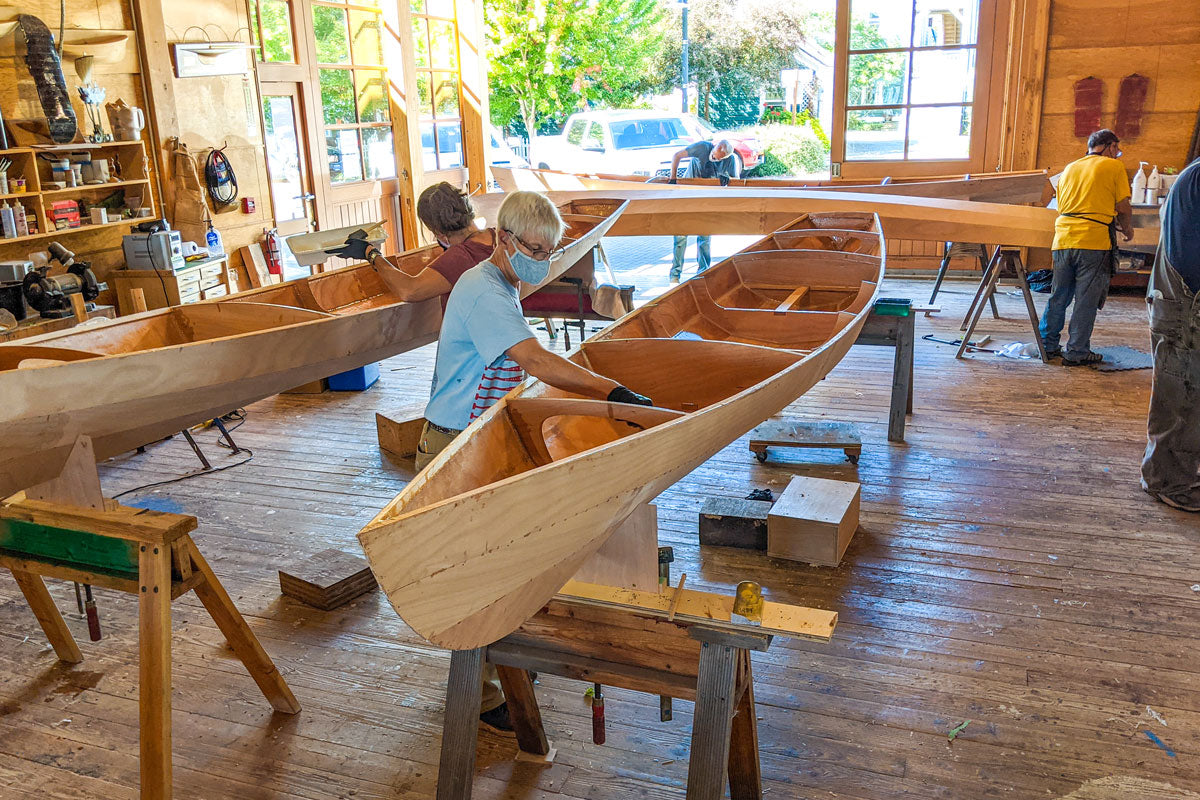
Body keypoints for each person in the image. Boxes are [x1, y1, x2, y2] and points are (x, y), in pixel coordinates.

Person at [417, 190, 653, 731]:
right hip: (453, 444)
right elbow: (536, 361)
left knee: (493, 561)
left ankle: (500, 666)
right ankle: (480, 696)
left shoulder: (502, 282)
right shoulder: (483, 289)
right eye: (534, 249)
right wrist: (610, 392)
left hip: (476, 435)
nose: (542, 261)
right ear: (503, 239)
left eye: (549, 252)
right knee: (469, 575)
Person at [1039, 129, 1134, 365]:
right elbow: (1122, 206)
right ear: (1111, 147)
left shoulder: (1069, 168)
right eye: (1117, 150)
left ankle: (1048, 346)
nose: (1117, 154)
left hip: (1062, 239)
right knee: (1085, 300)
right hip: (1093, 241)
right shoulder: (1113, 167)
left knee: (1058, 296)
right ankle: (1077, 352)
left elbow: (1061, 203)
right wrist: (1127, 228)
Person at [1140, 158, 1200, 512]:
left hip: (1179, 302)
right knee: (1182, 397)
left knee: (1186, 394)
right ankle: (1169, 482)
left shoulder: (1193, 175)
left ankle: (1171, 475)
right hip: (1186, 307)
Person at [331, 182, 493, 309]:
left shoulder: (461, 256)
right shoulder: (499, 236)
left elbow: (410, 290)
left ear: (437, 232)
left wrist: (370, 253)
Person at [666, 139, 739, 284]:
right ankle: (675, 275)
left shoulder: (730, 160)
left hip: (707, 200)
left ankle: (703, 273)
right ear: (714, 148)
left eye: (719, 159)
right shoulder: (701, 147)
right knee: (680, 237)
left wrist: (728, 179)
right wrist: (673, 179)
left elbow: (736, 181)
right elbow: (677, 156)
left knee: (704, 238)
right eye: (714, 156)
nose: (715, 159)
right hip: (687, 197)